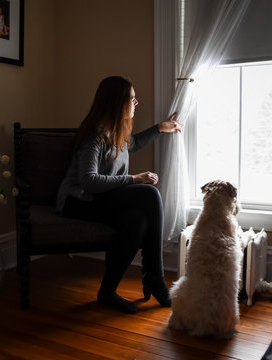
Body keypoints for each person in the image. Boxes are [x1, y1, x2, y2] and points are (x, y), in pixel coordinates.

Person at [56, 76, 183, 314]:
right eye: (132, 99)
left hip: (100, 198)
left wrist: (159, 128)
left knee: (138, 220)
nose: (137, 103)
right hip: (78, 200)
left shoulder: (118, 130)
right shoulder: (94, 136)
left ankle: (108, 291)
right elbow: (89, 181)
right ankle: (155, 277)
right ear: (117, 102)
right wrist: (134, 178)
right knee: (149, 194)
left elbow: (131, 144)